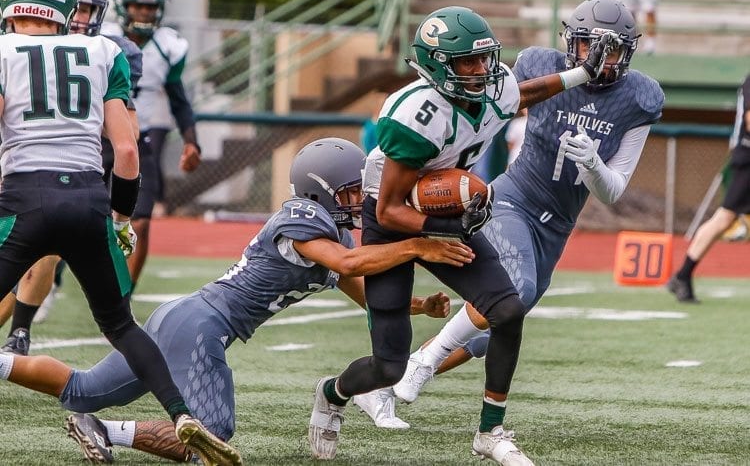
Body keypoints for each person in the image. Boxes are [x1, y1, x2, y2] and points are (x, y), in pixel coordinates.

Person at [0, 137, 471, 464]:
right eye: (349, 191)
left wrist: (418, 306)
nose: (356, 200)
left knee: (83, 389)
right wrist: (416, 245)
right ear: (319, 189)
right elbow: (347, 265)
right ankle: (106, 431)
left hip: (185, 317)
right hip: (202, 326)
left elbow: (364, 290)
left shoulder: (333, 236)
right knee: (213, 435)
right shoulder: (303, 218)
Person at [307, 4, 621, 464]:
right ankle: (333, 394)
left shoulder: (491, 86)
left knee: (508, 310)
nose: (480, 71)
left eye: (484, 59)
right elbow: (391, 209)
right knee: (388, 365)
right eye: (466, 63)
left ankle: (489, 432)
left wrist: (581, 73)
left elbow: (525, 92)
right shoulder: (415, 114)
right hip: (392, 220)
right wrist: (441, 231)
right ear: (436, 66)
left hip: (445, 210)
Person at [353, 0, 664, 425]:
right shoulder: (539, 63)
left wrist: (593, 163)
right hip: (513, 197)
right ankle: (422, 368)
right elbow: (495, 104)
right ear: (570, 42)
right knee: (513, 291)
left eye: (611, 49)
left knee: (505, 314)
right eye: (589, 45)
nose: (599, 57)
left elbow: (611, 193)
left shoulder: (640, 97)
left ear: (627, 53)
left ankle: (401, 373)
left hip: (560, 222)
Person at [0, 0, 240, 466]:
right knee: (123, 326)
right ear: (65, 7)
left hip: (22, 199)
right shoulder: (104, 52)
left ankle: (18, 334)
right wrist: (121, 219)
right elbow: (128, 152)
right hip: (89, 200)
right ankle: (180, 413)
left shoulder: (2, 51)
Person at [0, 0, 145, 355]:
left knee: (43, 250)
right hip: (25, 159)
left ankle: (20, 333)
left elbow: (125, 134)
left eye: (86, 9)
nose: (79, 17)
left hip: (76, 164)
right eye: (75, 7)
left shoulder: (112, 51)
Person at [106, 0, 202, 287]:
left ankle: (124, 298)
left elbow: (178, 98)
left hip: (138, 139)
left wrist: (192, 141)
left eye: (149, 7)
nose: (145, 13)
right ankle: (54, 280)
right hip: (98, 139)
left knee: (142, 222)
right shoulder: (101, 38)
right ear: (122, 6)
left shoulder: (167, 46)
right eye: (138, 6)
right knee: (78, 218)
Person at [667, 73, 750, 302]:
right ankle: (683, 275)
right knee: (724, 218)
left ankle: (682, 275)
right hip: (748, 158)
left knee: (724, 218)